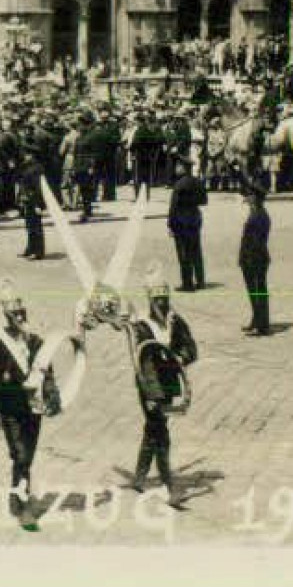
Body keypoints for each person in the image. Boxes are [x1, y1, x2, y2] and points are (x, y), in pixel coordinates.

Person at [0, 280, 61, 529]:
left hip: (33, 409)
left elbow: (47, 371)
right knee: (20, 454)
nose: (20, 318)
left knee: (27, 456)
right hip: (10, 410)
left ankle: (16, 494)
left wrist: (52, 394)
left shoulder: (34, 342)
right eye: (15, 315)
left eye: (22, 313)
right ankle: (21, 507)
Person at [124, 265, 198, 506]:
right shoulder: (144, 327)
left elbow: (191, 348)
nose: (162, 303)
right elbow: (145, 364)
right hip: (150, 388)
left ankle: (139, 477)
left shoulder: (175, 321)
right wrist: (152, 396)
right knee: (161, 434)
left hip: (170, 385)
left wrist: (181, 357)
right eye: (158, 299)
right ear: (150, 300)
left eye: (165, 298)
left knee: (154, 429)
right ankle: (170, 487)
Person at [167, 163, 209, 291]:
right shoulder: (197, 182)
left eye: (178, 166)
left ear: (183, 169)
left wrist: (170, 225)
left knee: (183, 253)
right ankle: (201, 281)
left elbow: (173, 207)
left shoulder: (179, 184)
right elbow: (204, 200)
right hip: (195, 218)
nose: (176, 168)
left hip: (181, 220)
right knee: (196, 251)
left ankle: (187, 283)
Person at [238, 184, 272, 336]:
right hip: (252, 258)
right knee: (254, 292)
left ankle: (262, 325)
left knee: (259, 292)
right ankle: (256, 320)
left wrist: (248, 258)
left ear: (255, 198)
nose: (247, 198)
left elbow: (255, 242)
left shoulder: (259, 216)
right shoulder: (256, 213)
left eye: (250, 196)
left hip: (256, 259)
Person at [17, 157, 46, 260]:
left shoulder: (35, 169)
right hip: (28, 200)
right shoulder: (28, 167)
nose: (25, 157)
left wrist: (38, 204)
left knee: (36, 226)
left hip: (33, 200)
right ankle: (30, 249)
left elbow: (38, 188)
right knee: (29, 226)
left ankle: (38, 252)